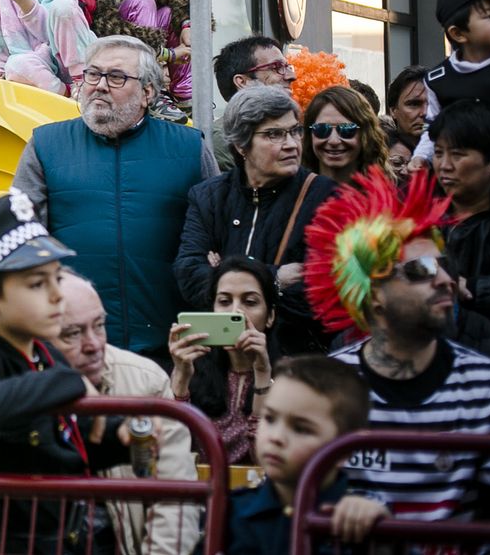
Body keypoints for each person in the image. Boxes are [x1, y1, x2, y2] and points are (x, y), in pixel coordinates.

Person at [0, 264, 200, 555]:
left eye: (100, 325)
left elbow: (175, 500)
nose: (94, 344)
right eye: (72, 333)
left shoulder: (144, 382)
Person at [0, 190, 131, 553]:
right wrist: (70, 382)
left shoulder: (44, 354)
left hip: (61, 539)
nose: (57, 296)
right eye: (37, 284)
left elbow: (68, 446)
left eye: (56, 279)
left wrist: (121, 437)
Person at [307, 168, 490, 523]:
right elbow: (308, 503)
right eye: (421, 269)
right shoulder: (329, 386)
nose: (446, 280)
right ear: (374, 297)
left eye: (444, 265)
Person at [12, 35, 217, 356]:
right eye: (93, 74)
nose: (100, 85)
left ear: (148, 92)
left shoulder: (188, 147)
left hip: (172, 346)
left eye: (117, 77)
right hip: (71, 346)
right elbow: (22, 241)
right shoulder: (46, 145)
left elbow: (215, 237)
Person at [176, 86, 336, 354]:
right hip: (221, 360)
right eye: (274, 134)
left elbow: (319, 291)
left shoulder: (326, 197)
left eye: (295, 131)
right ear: (241, 145)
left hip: (292, 362)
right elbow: (189, 275)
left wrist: (222, 272)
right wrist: (275, 278)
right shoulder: (209, 196)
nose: (291, 144)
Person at [216, 356, 390, 553]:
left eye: (301, 429)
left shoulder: (359, 523)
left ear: (346, 447)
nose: (276, 437)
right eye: (270, 418)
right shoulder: (229, 511)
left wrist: (384, 542)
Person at [167, 256, 280, 465]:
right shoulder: (193, 369)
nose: (236, 311)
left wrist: (263, 372)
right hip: (198, 491)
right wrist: (181, 376)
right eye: (225, 301)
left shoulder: (289, 379)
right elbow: (171, 451)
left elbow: (266, 463)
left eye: (250, 302)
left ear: (270, 316)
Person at [430, 100, 490, 365]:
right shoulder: (422, 214)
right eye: (439, 152)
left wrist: (473, 287)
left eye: (457, 154)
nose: (444, 165)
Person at [413, 0, 490, 166]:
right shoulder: (438, 79)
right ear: (457, 33)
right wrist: (420, 157)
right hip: (462, 181)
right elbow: (433, 127)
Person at [211, 35, 296, 171]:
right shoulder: (223, 139)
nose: (292, 76)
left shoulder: (294, 126)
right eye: (276, 67)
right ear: (243, 82)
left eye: (288, 67)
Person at [302, 85, 389, 186]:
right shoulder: (293, 195)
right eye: (322, 129)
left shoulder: (385, 197)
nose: (333, 141)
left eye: (346, 129)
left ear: (365, 135)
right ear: (310, 134)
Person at [386, 64, 428, 153]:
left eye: (432, 105)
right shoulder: (376, 157)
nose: (425, 112)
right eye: (414, 104)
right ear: (393, 110)